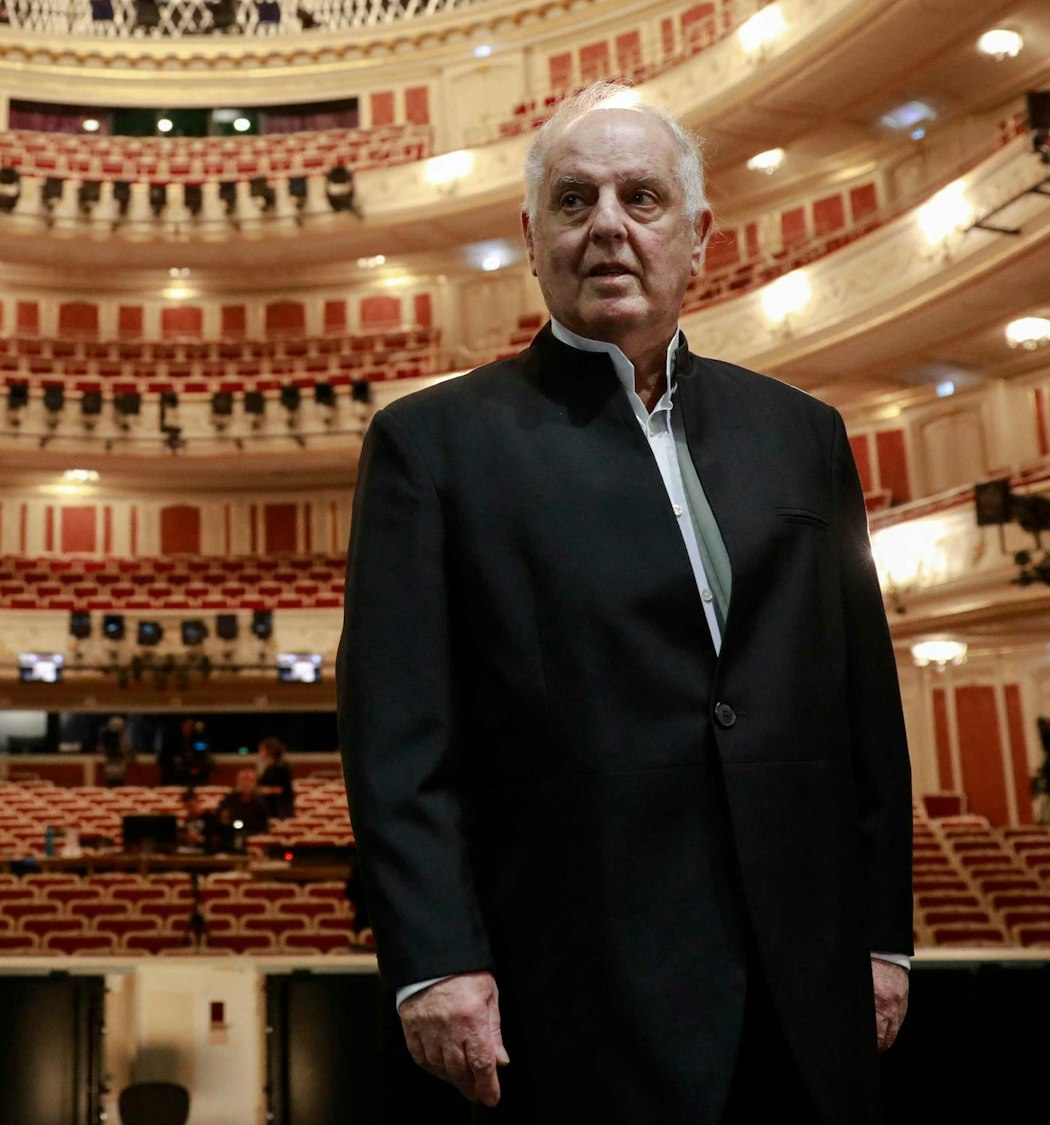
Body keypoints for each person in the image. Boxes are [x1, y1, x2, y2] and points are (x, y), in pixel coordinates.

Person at [338, 80, 912, 1123]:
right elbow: (397, 738)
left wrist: (879, 934)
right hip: (568, 986)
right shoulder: (434, 446)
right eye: (573, 200)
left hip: (802, 978)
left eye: (639, 197)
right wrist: (433, 963)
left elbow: (859, 706)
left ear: (696, 236)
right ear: (531, 236)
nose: (606, 224)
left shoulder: (802, 435)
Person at [213, 767, 272, 848]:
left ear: (255, 783)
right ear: (237, 781)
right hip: (230, 835)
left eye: (249, 780)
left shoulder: (260, 803)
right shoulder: (229, 799)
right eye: (243, 780)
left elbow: (263, 825)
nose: (246, 783)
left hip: (251, 834)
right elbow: (220, 819)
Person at [255, 736, 295, 817]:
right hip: (268, 805)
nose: (259, 752)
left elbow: (284, 789)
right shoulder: (267, 767)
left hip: (279, 807)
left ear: (269, 750)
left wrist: (265, 790)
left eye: (262, 750)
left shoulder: (282, 767)